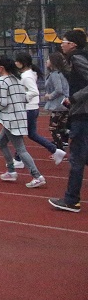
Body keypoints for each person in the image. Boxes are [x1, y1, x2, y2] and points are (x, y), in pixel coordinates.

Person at [0, 57, 45, 188]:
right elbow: (24, 97)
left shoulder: (1, 81)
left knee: (20, 149)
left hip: (10, 119)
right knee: (1, 142)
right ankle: (11, 170)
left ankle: (37, 176)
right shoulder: (17, 79)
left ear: (1, 68)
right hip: (19, 115)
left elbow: (2, 103)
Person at [49, 29, 88, 212]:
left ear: (72, 44)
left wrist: (74, 98)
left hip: (83, 114)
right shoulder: (77, 59)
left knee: (77, 158)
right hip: (80, 113)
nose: (61, 44)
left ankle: (72, 200)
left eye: (63, 41)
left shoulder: (77, 58)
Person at [14, 51, 66, 166]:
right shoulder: (29, 74)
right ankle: (55, 150)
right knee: (30, 134)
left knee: (20, 134)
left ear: (22, 62)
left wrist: (22, 97)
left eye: (17, 61)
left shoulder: (26, 76)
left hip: (28, 109)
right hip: (31, 108)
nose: (15, 63)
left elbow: (34, 91)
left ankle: (19, 159)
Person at [42, 52, 70, 151]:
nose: (46, 61)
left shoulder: (55, 74)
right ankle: (63, 144)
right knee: (62, 127)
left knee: (53, 128)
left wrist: (49, 96)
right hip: (64, 103)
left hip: (59, 104)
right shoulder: (60, 73)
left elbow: (58, 90)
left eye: (48, 59)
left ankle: (59, 149)